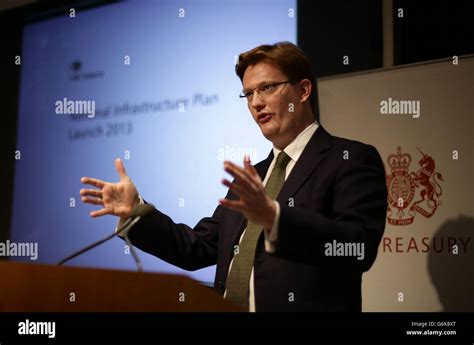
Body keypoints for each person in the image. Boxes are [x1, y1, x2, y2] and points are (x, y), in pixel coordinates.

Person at [80, 42, 388, 312]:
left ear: (303, 90)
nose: (256, 103)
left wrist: (275, 218)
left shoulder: (349, 160)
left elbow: (357, 248)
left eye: (267, 87)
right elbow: (196, 248)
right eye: (248, 94)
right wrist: (136, 212)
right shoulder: (253, 178)